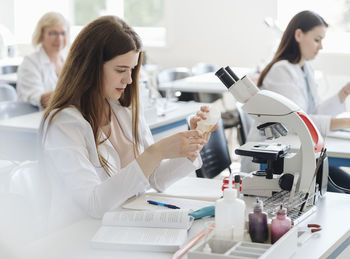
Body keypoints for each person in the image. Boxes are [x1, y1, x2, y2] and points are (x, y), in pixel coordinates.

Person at [39, 16, 216, 230]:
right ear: (90, 67)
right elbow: (94, 204)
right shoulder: (64, 123)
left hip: (122, 225)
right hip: (79, 233)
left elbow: (155, 179)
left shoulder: (122, 109)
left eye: (132, 70)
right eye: (120, 70)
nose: (129, 80)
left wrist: (191, 146)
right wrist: (155, 152)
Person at [245, 10, 350, 193]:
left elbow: (314, 111)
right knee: (341, 194)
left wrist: (343, 94)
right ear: (299, 35)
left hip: (301, 155)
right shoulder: (281, 71)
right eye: (317, 40)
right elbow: (299, 122)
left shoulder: (305, 68)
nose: (321, 47)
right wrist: (346, 122)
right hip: (275, 162)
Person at [17, 12, 69, 108]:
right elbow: (39, 99)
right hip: (35, 118)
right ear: (41, 35)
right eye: (53, 33)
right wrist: (72, 93)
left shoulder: (69, 60)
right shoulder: (30, 62)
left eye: (63, 33)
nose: (59, 39)